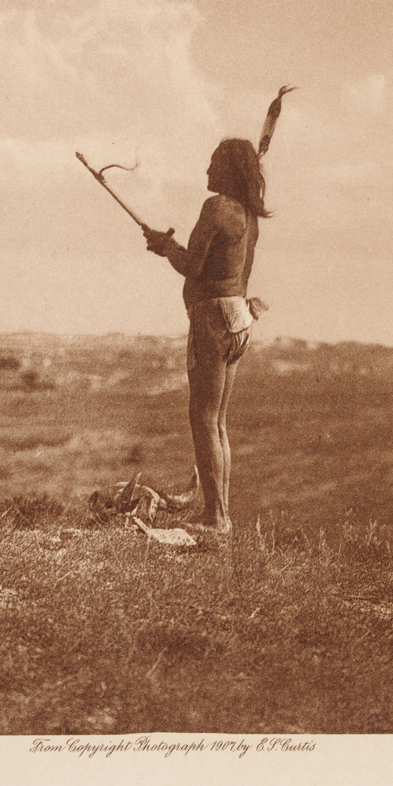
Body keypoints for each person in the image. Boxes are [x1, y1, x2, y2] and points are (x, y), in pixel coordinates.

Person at [143, 138, 270, 534]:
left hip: (212, 319)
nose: (207, 171)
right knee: (218, 422)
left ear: (229, 170)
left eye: (214, 163)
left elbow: (193, 266)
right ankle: (221, 515)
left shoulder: (215, 208)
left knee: (202, 418)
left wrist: (165, 247)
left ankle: (215, 519)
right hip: (239, 318)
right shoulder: (249, 216)